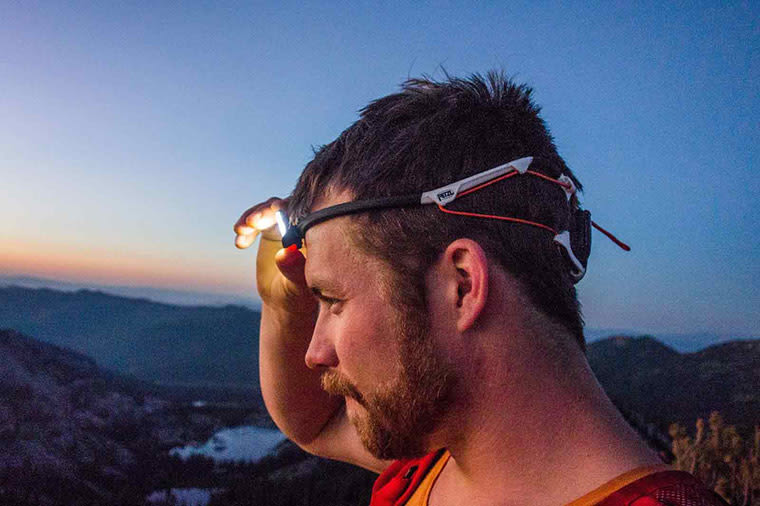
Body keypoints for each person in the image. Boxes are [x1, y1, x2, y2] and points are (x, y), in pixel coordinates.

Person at [234, 73, 727, 506]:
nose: (314, 353)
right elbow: (313, 423)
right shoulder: (438, 459)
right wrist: (286, 302)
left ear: (463, 284)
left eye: (334, 302)